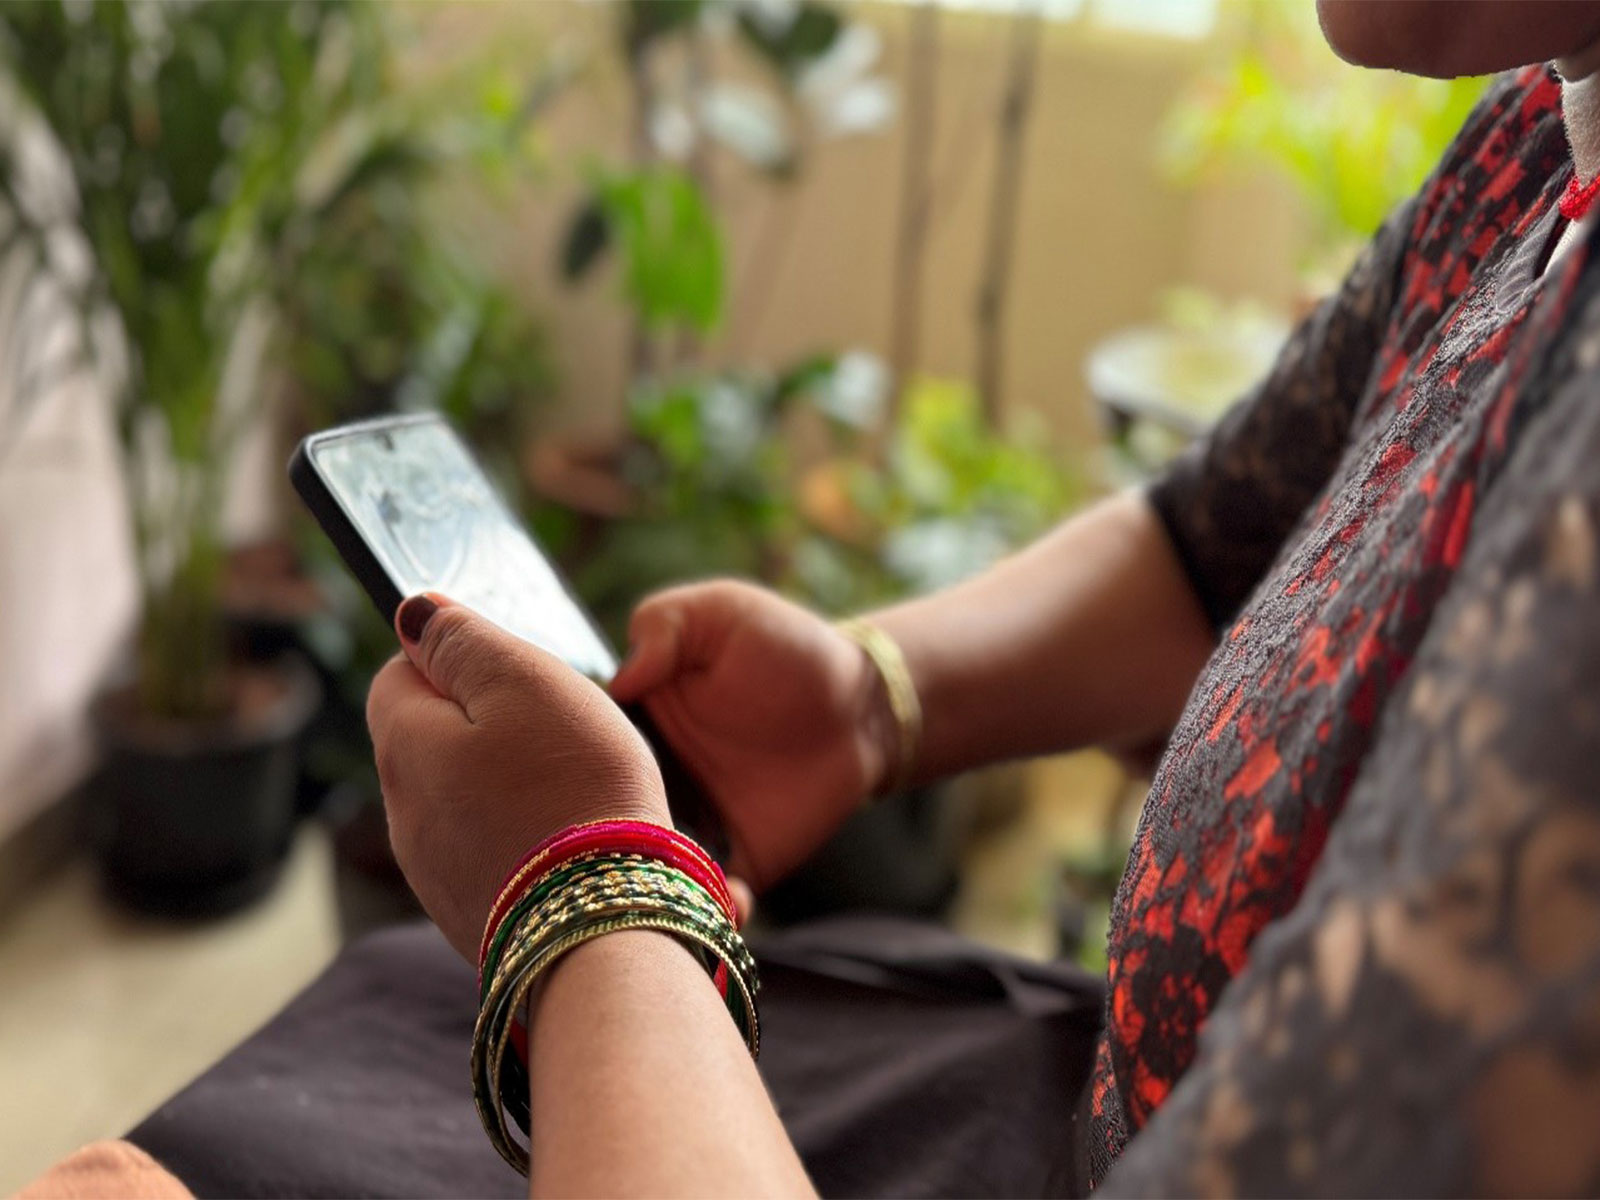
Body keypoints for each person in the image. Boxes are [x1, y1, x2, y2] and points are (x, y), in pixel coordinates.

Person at [115, 2, 1600, 1197]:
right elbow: (1206, 546)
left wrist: (587, 894)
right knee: (369, 1021)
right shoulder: (1535, 141)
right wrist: (873, 698)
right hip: (1083, 1094)